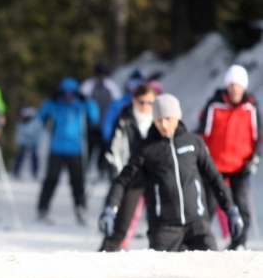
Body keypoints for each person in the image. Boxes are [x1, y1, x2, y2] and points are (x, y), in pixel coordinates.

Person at [98, 93, 244, 252]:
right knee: (164, 274)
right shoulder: (146, 148)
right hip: (164, 227)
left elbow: (214, 178)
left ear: (177, 117)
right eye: (159, 119)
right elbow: (123, 181)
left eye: (168, 118)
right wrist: (110, 209)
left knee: (211, 269)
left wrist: (230, 209)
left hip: (197, 224)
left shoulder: (193, 143)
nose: (164, 124)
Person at [197, 64, 262, 250]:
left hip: (240, 166)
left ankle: (238, 242)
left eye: (238, 85)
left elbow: (259, 138)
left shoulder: (251, 108)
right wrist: (204, 160)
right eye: (232, 84)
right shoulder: (214, 105)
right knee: (208, 205)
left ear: (244, 87)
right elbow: (203, 136)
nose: (234, 89)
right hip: (215, 166)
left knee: (241, 205)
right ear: (227, 85)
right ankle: (203, 242)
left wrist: (254, 160)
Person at [99, 83, 157, 251]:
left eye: (150, 102)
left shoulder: (160, 120)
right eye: (142, 102)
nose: (146, 106)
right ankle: (105, 254)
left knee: (162, 227)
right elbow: (114, 147)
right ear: (134, 101)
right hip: (132, 177)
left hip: (154, 177)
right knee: (121, 226)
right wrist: (115, 169)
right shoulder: (124, 120)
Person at [36, 77, 100, 226]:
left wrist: (87, 101)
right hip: (56, 148)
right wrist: (50, 101)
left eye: (72, 93)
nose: (68, 96)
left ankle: (80, 208)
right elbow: (41, 115)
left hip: (76, 149)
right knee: (51, 179)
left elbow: (94, 117)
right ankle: (42, 208)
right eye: (66, 92)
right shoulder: (56, 104)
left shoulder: (80, 105)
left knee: (78, 181)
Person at [80, 62, 121, 176]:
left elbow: (117, 103)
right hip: (91, 125)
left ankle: (101, 169)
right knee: (90, 149)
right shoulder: (89, 85)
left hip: (105, 125)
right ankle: (85, 168)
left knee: (104, 149)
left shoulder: (111, 86)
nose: (101, 76)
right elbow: (81, 98)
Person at [101, 69, 144, 145]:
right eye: (132, 83)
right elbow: (108, 121)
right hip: (119, 142)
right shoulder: (118, 103)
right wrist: (109, 139)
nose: (134, 87)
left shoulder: (145, 103)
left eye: (138, 84)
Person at [13, 106, 44, 179]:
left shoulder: (36, 122)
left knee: (34, 157)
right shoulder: (21, 123)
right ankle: (16, 172)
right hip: (24, 143)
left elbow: (39, 133)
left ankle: (35, 173)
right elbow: (19, 134)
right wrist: (22, 141)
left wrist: (35, 141)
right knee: (20, 156)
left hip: (34, 143)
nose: (21, 117)